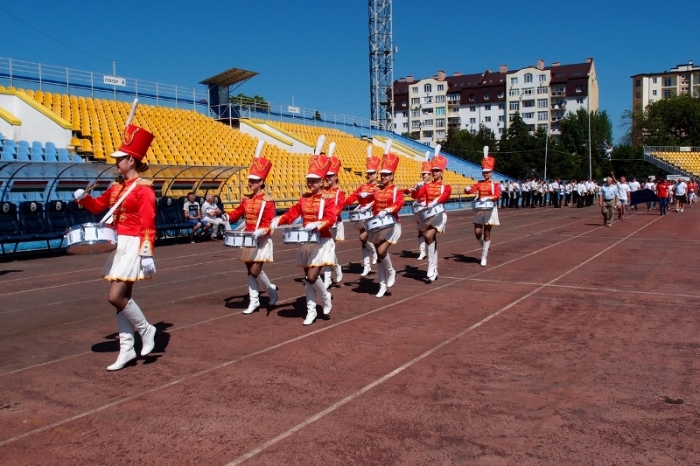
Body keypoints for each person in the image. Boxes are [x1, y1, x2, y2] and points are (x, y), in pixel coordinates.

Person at [73, 124, 158, 371]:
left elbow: (148, 222)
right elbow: (99, 206)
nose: (116, 163)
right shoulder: (117, 186)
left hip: (134, 243)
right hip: (120, 243)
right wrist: (83, 198)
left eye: (120, 160)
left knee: (115, 296)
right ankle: (127, 349)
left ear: (131, 161)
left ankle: (146, 329)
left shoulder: (144, 189)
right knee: (124, 297)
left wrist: (146, 251)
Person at [272, 154, 336, 325]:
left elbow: (332, 218)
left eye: (314, 181)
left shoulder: (328, 199)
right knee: (307, 279)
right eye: (309, 181)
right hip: (307, 242)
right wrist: (279, 219)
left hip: (322, 241)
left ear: (322, 181)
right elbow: (292, 214)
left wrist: (317, 224)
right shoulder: (304, 198)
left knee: (312, 277)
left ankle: (325, 296)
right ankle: (311, 311)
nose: (311, 184)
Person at [226, 147, 278, 314]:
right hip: (247, 238)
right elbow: (236, 213)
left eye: (254, 181)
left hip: (260, 240)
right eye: (250, 181)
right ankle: (254, 301)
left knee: (255, 270)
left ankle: (270, 290)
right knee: (250, 270)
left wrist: (261, 231)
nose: (251, 184)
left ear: (262, 182)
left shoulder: (268, 201)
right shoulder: (246, 200)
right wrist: (225, 216)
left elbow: (270, 224)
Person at [364, 151, 404, 297]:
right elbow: (374, 202)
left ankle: (391, 270)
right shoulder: (377, 189)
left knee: (381, 252)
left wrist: (387, 210)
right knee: (380, 256)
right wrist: (368, 205)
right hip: (377, 225)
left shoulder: (396, 190)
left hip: (391, 225)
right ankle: (382, 285)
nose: (383, 177)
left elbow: (399, 204)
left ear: (392, 176)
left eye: (386, 175)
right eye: (382, 175)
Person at [411, 153, 451, 281]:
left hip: (439, 215)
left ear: (441, 171)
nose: (434, 172)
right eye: (432, 170)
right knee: (431, 240)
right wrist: (415, 189)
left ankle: (431, 266)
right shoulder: (427, 185)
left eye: (436, 170)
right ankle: (434, 269)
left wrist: (436, 201)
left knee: (428, 236)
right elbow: (416, 196)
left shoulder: (446, 186)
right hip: (427, 215)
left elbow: (445, 196)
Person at [344, 145, 380, 276]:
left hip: (373, 214)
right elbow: (353, 196)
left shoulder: (379, 186)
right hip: (362, 214)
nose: (369, 175)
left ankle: (375, 253)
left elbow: (379, 199)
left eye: (372, 173)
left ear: (377, 174)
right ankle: (366, 265)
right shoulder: (363, 186)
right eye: (368, 173)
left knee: (363, 237)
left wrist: (370, 203)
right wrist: (341, 202)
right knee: (363, 241)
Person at [464, 146, 500, 267]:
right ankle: (485, 244)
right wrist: (467, 189)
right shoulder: (479, 183)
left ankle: (483, 256)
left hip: (489, 208)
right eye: (484, 172)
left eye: (487, 172)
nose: (485, 174)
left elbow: (497, 195)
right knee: (477, 232)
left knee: (487, 232)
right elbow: (471, 190)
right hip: (480, 208)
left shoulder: (495, 184)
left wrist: (488, 197)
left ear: (491, 173)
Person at [322, 150, 345, 288]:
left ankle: (330, 274)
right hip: (324, 222)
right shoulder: (323, 190)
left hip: (335, 223)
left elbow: (339, 207)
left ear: (336, 177)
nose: (328, 179)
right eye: (327, 176)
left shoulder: (339, 192)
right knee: (327, 249)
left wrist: (330, 217)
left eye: (330, 176)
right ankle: (332, 272)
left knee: (328, 249)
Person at [404, 160, 432, 260]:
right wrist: (414, 190)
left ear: (431, 174)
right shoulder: (419, 184)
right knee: (420, 231)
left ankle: (431, 252)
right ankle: (422, 251)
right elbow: (413, 195)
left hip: (428, 209)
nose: (424, 176)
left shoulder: (433, 184)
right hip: (419, 208)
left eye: (426, 174)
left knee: (429, 232)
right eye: (423, 174)